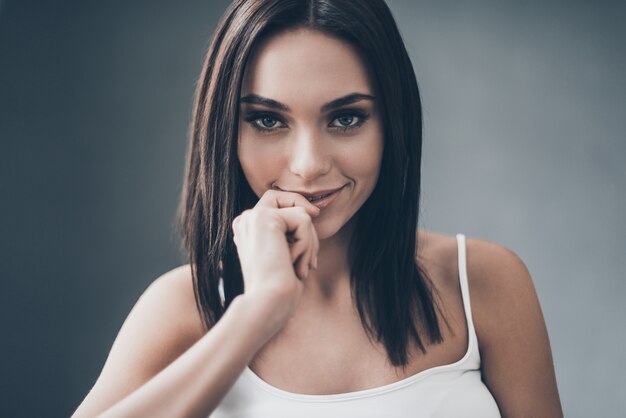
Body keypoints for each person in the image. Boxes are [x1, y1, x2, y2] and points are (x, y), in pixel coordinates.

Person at [72, 0, 563, 417]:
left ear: (393, 123)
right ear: (225, 130)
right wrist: (258, 311)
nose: (307, 166)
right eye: (267, 120)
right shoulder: (184, 305)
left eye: (346, 118)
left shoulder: (485, 284)